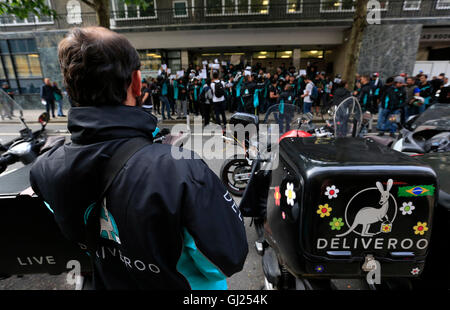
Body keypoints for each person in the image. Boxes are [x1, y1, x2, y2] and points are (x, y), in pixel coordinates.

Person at [29, 27, 247, 290]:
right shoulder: (180, 169)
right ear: (136, 82)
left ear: (69, 86)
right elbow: (226, 259)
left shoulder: (44, 168)